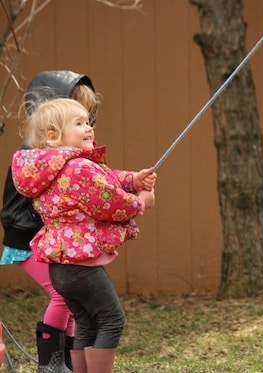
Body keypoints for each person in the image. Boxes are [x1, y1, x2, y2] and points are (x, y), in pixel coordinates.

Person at [11, 97, 156, 373]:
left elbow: (106, 178)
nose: (89, 128)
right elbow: (109, 200)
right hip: (81, 266)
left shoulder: (54, 169)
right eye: (78, 123)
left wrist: (133, 180)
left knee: (87, 322)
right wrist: (141, 201)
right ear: (53, 137)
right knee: (113, 319)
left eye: (87, 121)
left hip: (60, 267)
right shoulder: (77, 168)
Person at [1, 70, 101, 372]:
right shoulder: (34, 157)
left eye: (86, 118)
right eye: (75, 117)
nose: (84, 125)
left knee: (71, 299)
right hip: (28, 240)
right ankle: (50, 364)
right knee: (62, 293)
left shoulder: (62, 156)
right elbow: (16, 207)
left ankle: (66, 361)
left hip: (51, 239)